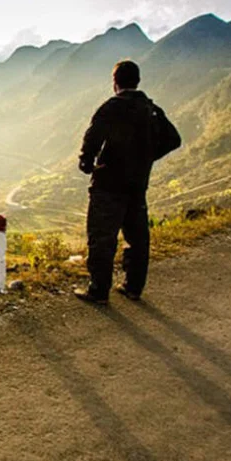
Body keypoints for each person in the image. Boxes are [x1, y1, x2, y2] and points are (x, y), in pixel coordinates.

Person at [74, 60, 180, 305]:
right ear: (138, 81)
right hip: (137, 185)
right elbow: (173, 139)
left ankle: (99, 290)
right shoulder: (151, 109)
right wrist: (147, 157)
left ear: (115, 83)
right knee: (137, 237)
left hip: (108, 184)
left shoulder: (112, 107)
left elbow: (93, 137)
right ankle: (133, 287)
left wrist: (87, 163)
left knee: (102, 237)